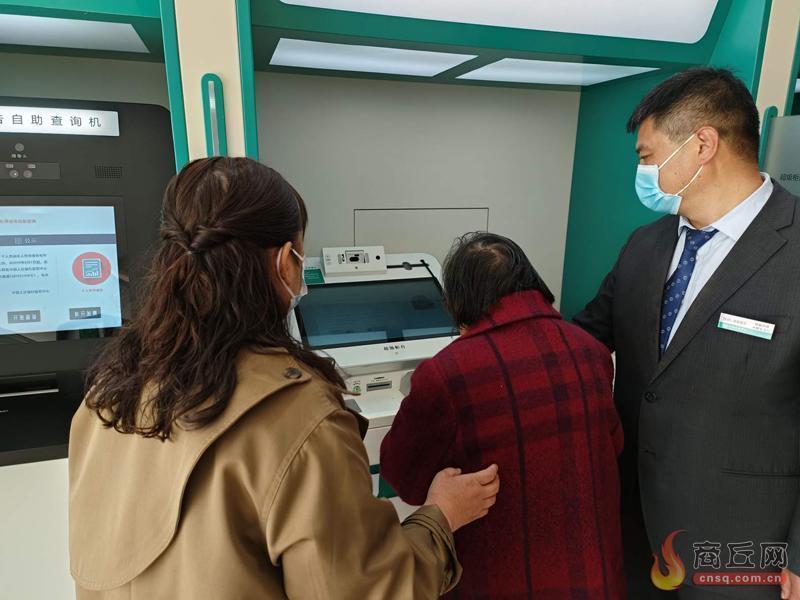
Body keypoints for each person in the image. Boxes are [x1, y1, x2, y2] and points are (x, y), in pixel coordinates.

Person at [68, 157, 500, 599]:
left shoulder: (107, 397)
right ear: (284, 263)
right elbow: (367, 590)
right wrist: (441, 515)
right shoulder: (300, 416)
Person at [574, 67, 800, 599]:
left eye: (647, 156)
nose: (642, 171)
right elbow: (583, 338)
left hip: (745, 546)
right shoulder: (643, 246)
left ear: (702, 145)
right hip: (638, 530)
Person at [380, 232, 626, 598]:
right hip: (592, 579)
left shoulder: (445, 373)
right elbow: (612, 445)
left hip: (497, 581)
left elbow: (404, 480)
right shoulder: (592, 352)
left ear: (459, 301)